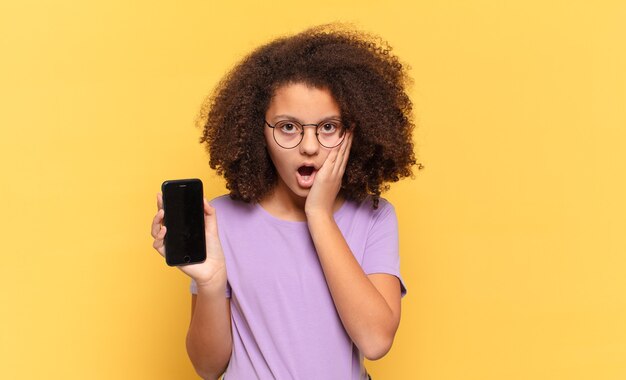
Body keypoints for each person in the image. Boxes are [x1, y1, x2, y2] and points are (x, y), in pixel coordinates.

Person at [151, 23, 418, 380]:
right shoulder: (222, 220)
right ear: (256, 130)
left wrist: (319, 215)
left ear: (353, 131)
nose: (309, 146)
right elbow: (206, 366)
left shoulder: (373, 217)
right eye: (289, 127)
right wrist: (212, 283)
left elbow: (375, 341)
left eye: (327, 127)